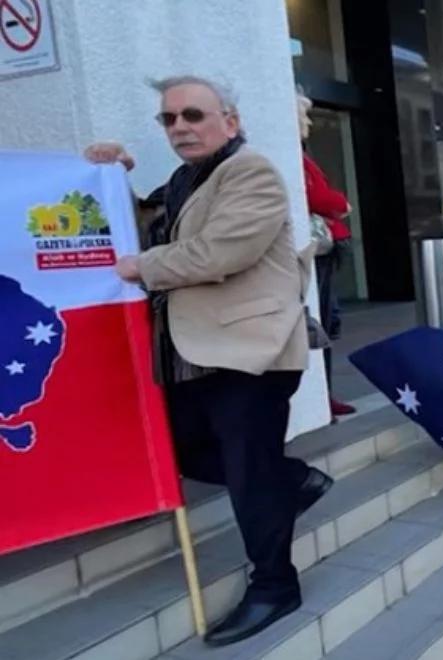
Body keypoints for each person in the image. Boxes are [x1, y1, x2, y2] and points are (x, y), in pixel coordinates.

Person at [84, 75, 333, 646]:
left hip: (252, 353)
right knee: (186, 449)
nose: (180, 128)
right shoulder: (181, 180)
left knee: (248, 469)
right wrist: (108, 180)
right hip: (192, 354)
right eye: (169, 119)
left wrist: (140, 268)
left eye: (193, 115)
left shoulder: (252, 173)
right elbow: (146, 233)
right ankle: (290, 480)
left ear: (230, 121)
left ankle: (275, 585)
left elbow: (220, 252)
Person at [297, 91, 356, 419]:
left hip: (328, 249)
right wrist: (341, 204)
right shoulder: (294, 154)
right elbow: (317, 195)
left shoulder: (303, 154)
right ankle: (322, 396)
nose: (308, 123)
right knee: (321, 320)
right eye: (303, 116)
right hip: (318, 251)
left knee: (329, 319)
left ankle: (324, 392)